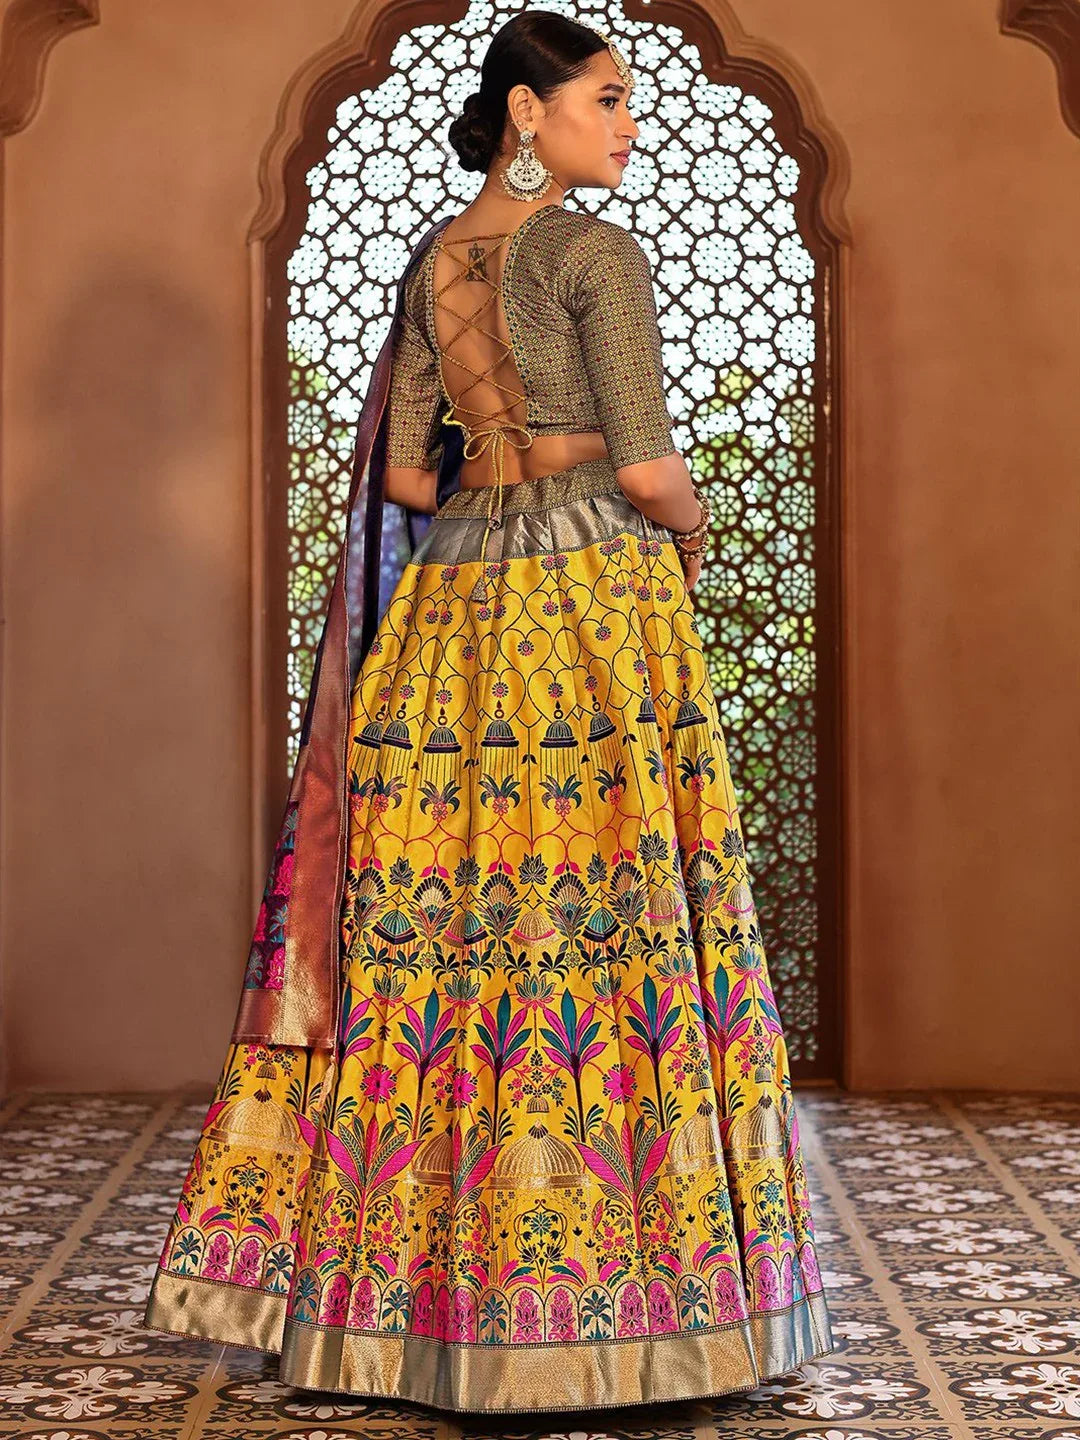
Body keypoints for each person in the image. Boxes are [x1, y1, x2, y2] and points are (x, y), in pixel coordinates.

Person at [142, 10, 836, 1413]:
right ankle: (635, 1313)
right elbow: (648, 467)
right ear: (529, 112)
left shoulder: (431, 264)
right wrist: (687, 540)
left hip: (453, 608)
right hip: (586, 599)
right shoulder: (593, 253)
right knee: (607, 918)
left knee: (444, 936)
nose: (629, 124)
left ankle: (393, 1322)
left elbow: (408, 482)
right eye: (608, 98)